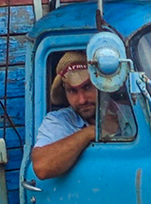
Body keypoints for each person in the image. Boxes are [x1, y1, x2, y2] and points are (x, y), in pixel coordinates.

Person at [30, 51, 120, 179]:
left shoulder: (126, 113)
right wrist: (90, 133)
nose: (82, 100)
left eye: (87, 87)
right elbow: (42, 167)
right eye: (72, 91)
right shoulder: (60, 121)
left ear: (101, 85)